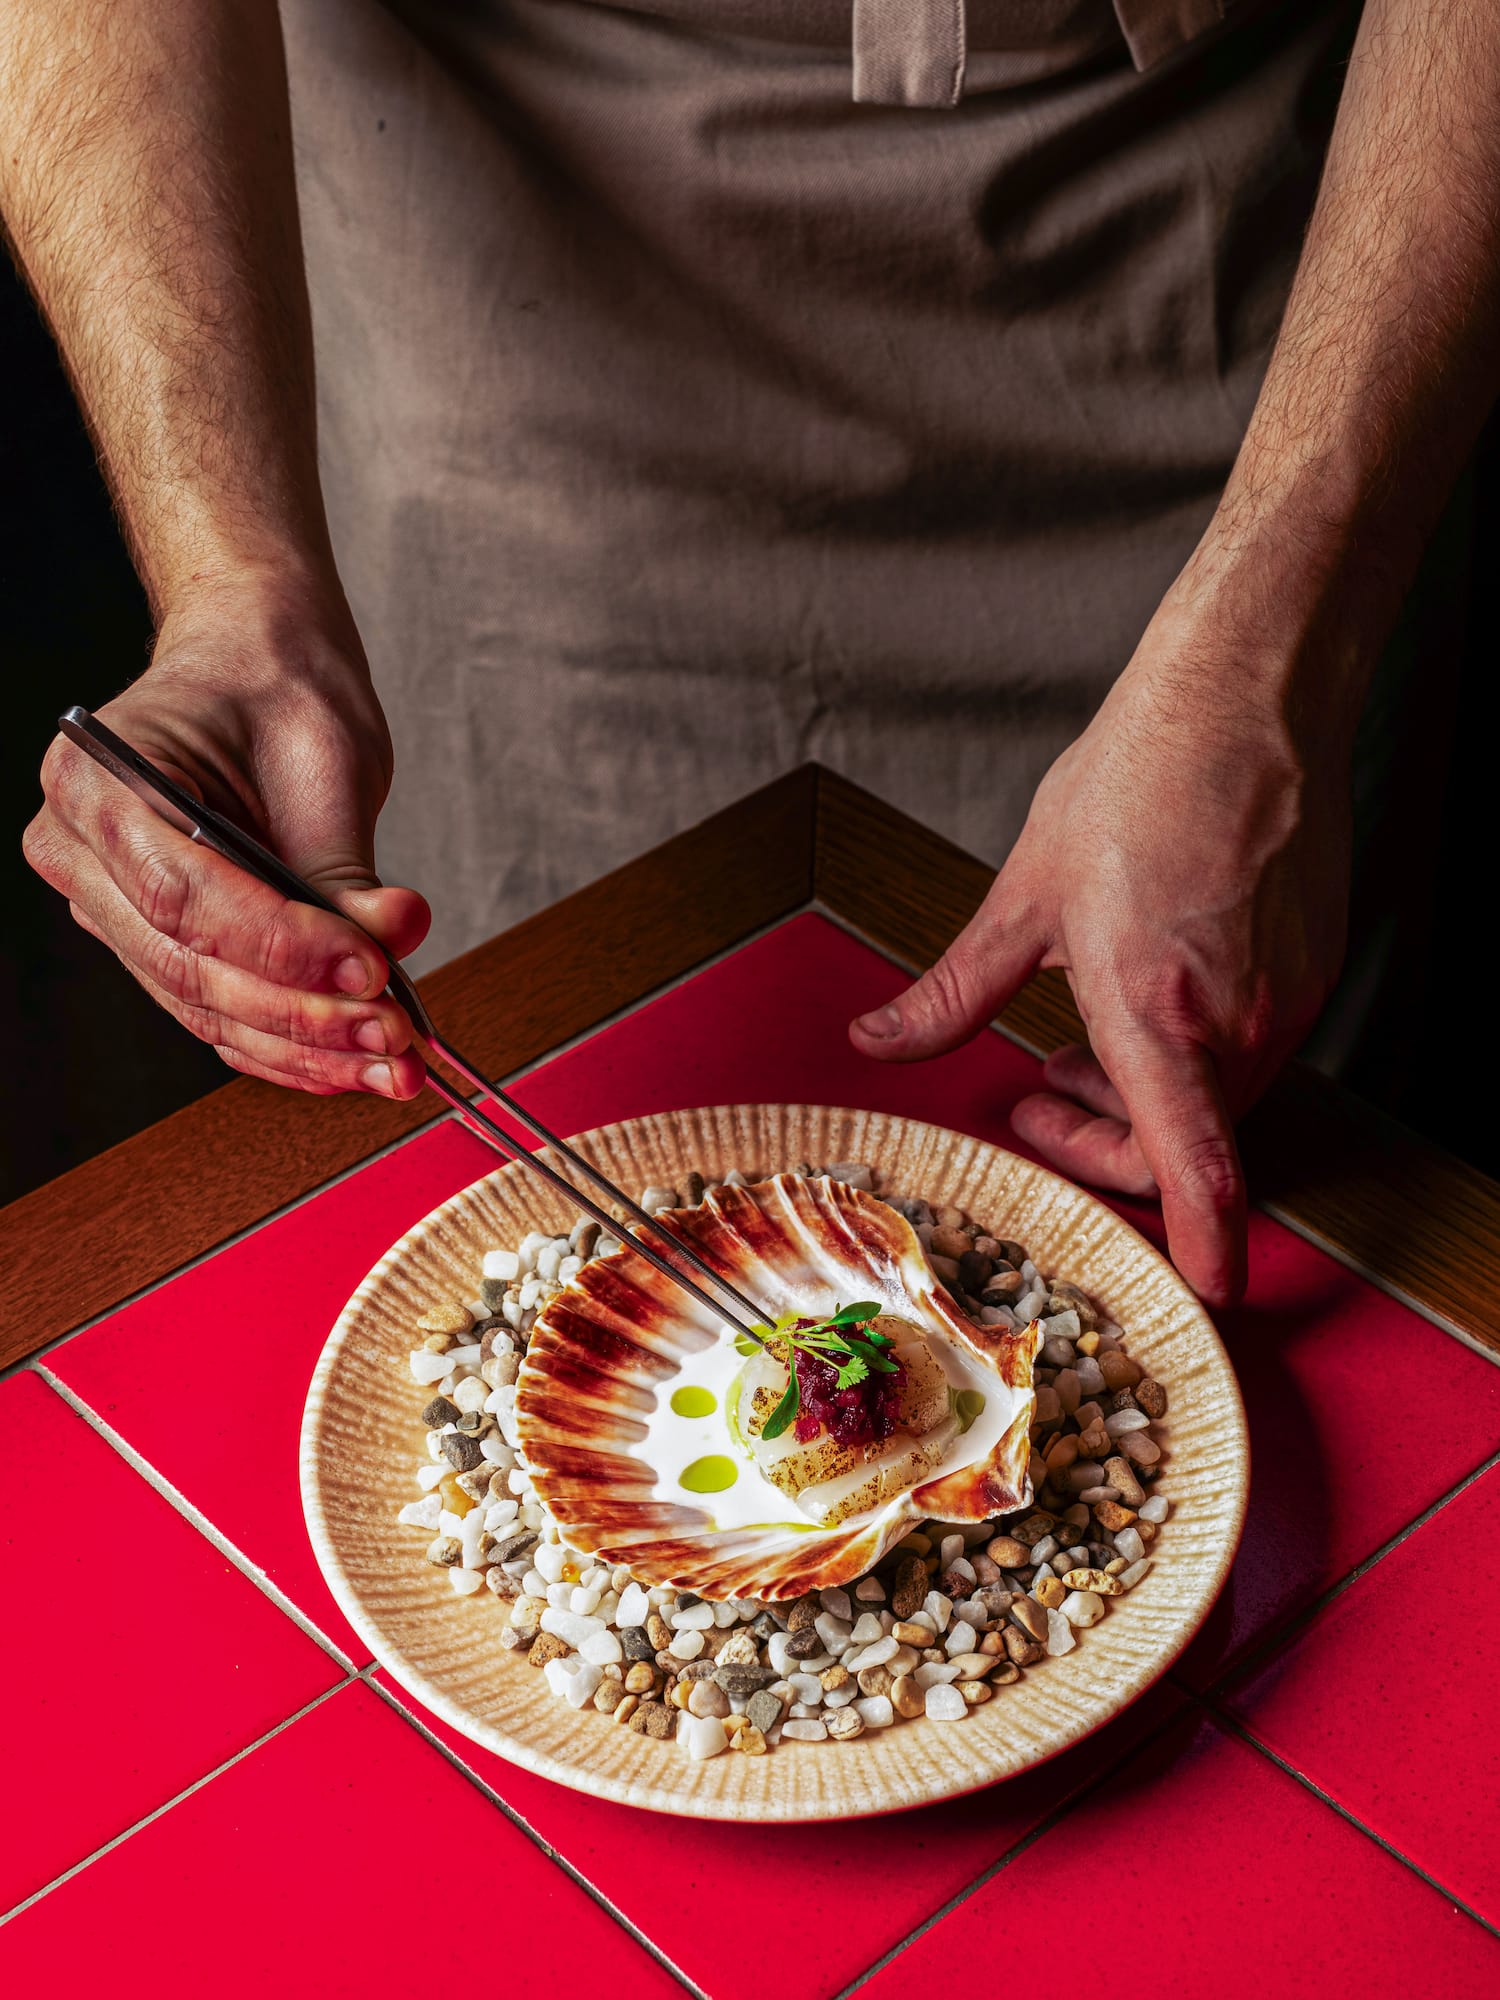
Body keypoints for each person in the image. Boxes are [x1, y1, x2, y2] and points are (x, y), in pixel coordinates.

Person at [8, 1, 1498, 1310]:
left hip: (1257, 336)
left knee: (1263, 1222)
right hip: (510, 352)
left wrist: (1275, 648)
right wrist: (230, 578)